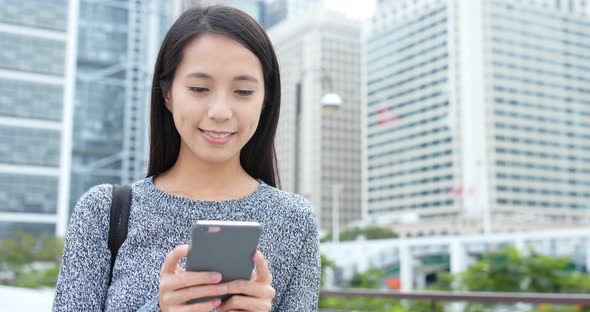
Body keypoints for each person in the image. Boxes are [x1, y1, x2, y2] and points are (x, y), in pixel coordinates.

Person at [53, 5, 320, 312]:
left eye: (243, 91)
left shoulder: (296, 219)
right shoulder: (102, 211)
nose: (220, 111)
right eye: (199, 88)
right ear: (167, 94)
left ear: (265, 100)